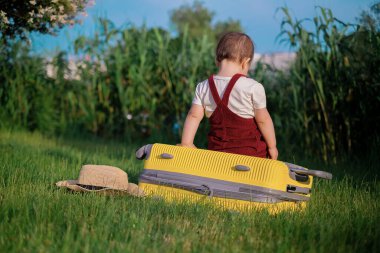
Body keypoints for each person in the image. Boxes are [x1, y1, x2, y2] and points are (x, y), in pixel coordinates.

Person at [180, 32, 278, 160]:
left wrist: (186, 143)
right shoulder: (253, 87)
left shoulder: (203, 87)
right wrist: (272, 147)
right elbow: (263, 120)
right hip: (251, 158)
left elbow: (193, 116)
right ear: (245, 62)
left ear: (217, 60)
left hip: (217, 158)